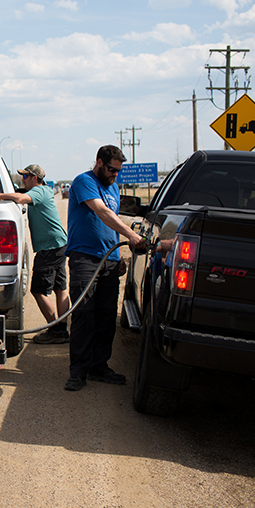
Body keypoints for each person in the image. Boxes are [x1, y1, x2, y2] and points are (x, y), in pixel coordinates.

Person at [64, 145, 144, 392]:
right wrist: (132, 235)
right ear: (99, 162)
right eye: (111, 169)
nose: (114, 175)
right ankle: (78, 371)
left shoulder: (114, 187)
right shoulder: (84, 182)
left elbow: (112, 224)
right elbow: (102, 212)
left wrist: (118, 256)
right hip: (85, 259)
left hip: (109, 260)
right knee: (84, 314)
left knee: (106, 315)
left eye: (118, 171)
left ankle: (99, 366)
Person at [0, 164, 70, 344]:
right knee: (60, 288)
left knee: (38, 290)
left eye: (25, 176)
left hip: (49, 248)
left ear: (34, 178)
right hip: (58, 244)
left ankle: (55, 330)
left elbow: (21, 199)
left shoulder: (39, 191)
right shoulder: (45, 190)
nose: (23, 179)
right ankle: (62, 329)